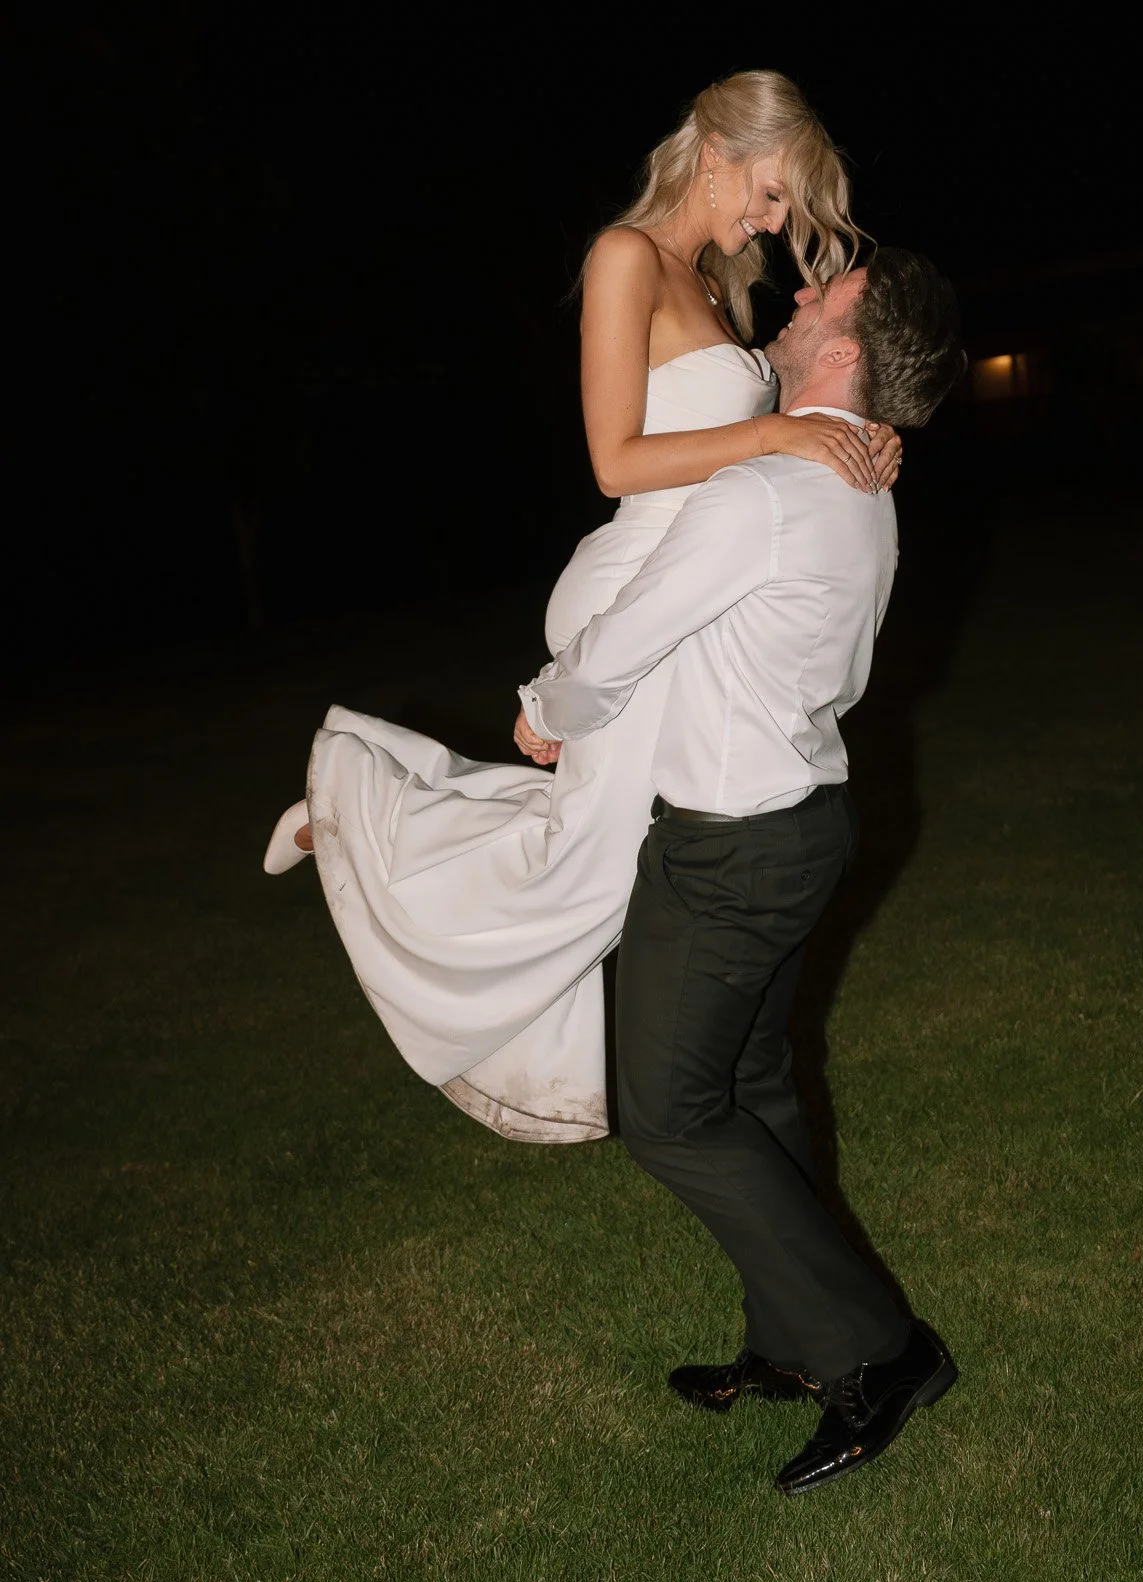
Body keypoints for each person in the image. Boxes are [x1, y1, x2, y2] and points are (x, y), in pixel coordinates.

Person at [264, 72, 902, 1142]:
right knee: (589, 874)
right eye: (774, 191)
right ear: (715, 150)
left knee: (592, 850)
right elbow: (618, 459)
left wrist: (856, 433)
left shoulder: (712, 282)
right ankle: (360, 823)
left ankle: (373, 826)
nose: (777, 220)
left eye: (789, 205)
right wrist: (772, 434)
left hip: (684, 592)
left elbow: (776, 431)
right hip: (637, 590)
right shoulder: (625, 258)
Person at [517, 247, 965, 1493]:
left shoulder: (770, 486)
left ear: (843, 353)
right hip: (802, 822)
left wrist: (548, 707)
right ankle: (791, 1344)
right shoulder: (859, 479)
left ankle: (882, 1351)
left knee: (666, 1111)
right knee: (753, 1082)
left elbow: (630, 633)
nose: (800, 293)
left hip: (734, 849)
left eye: (825, 294)